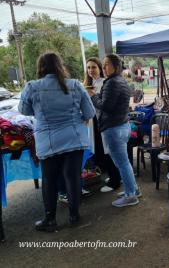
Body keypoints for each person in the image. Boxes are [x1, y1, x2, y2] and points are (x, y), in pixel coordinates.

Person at [18, 52, 95, 231]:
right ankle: (75, 217)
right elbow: (90, 113)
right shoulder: (75, 85)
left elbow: (24, 110)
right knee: (73, 177)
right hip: (74, 138)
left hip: (47, 141)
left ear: (40, 67)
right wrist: (75, 120)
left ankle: (50, 220)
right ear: (61, 66)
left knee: (49, 179)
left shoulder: (32, 87)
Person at [88, 54, 141, 207]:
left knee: (122, 164)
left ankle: (131, 195)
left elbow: (106, 106)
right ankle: (133, 190)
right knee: (124, 163)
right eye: (103, 65)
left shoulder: (112, 82)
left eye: (106, 65)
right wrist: (98, 96)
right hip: (121, 126)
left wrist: (92, 96)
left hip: (114, 128)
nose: (103, 68)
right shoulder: (120, 80)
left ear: (115, 66)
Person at [84, 57, 122, 192]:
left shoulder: (104, 84)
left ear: (100, 68)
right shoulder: (89, 84)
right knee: (99, 152)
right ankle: (114, 176)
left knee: (107, 151)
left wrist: (92, 95)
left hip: (103, 121)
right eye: (88, 67)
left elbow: (104, 105)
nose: (91, 70)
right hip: (93, 121)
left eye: (94, 67)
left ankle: (115, 180)